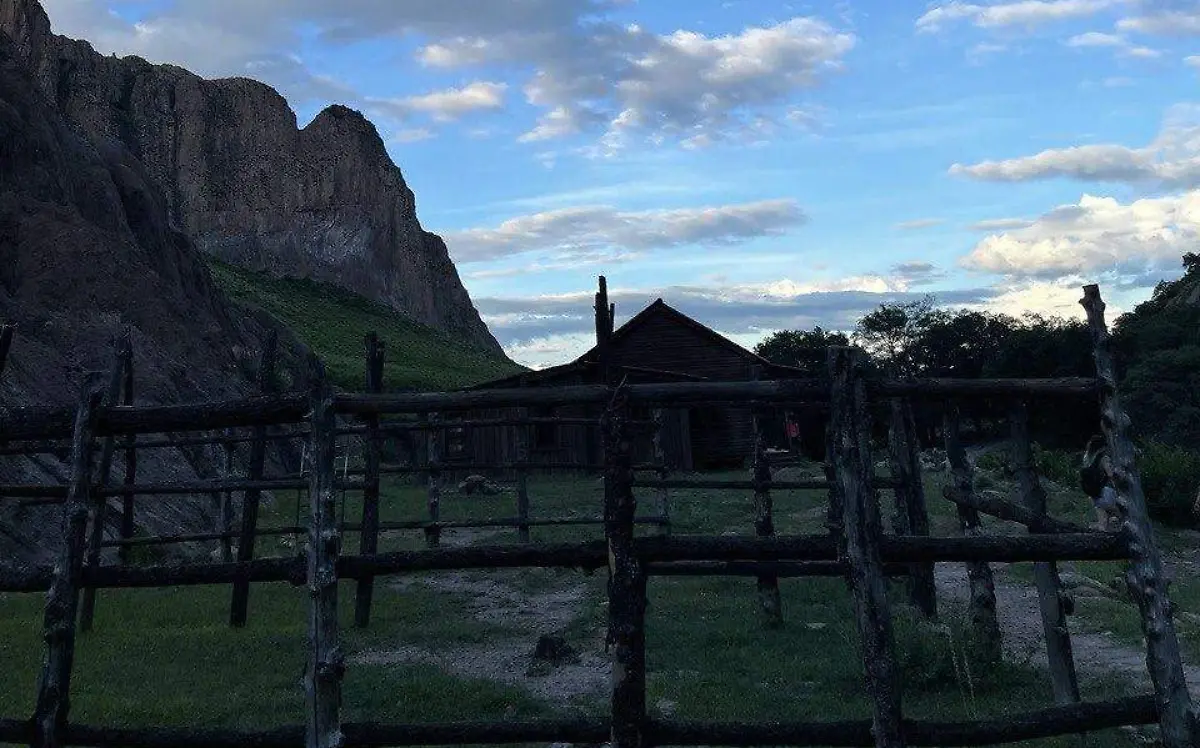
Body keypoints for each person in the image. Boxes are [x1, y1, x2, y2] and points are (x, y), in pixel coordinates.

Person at [1080, 435, 1120, 531]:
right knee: (1121, 515)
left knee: (1103, 523)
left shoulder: (1087, 459)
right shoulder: (1104, 458)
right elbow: (1110, 474)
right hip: (1107, 491)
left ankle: (1093, 529)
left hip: (1095, 495)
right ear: (1103, 447)